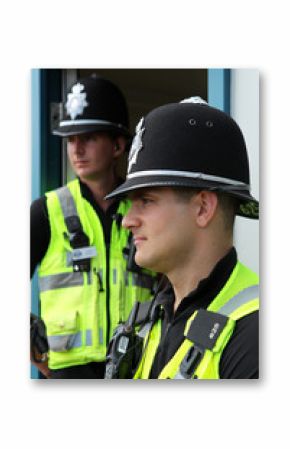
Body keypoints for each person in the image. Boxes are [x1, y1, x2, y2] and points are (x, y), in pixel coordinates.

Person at [105, 97, 259, 379]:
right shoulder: (151, 318)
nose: (128, 221)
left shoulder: (257, 337)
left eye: (146, 200)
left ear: (203, 208)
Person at [30, 74, 156, 379]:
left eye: (88, 137)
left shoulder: (146, 209)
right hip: (67, 376)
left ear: (117, 144)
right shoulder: (46, 211)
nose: (77, 149)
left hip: (138, 369)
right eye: (71, 139)